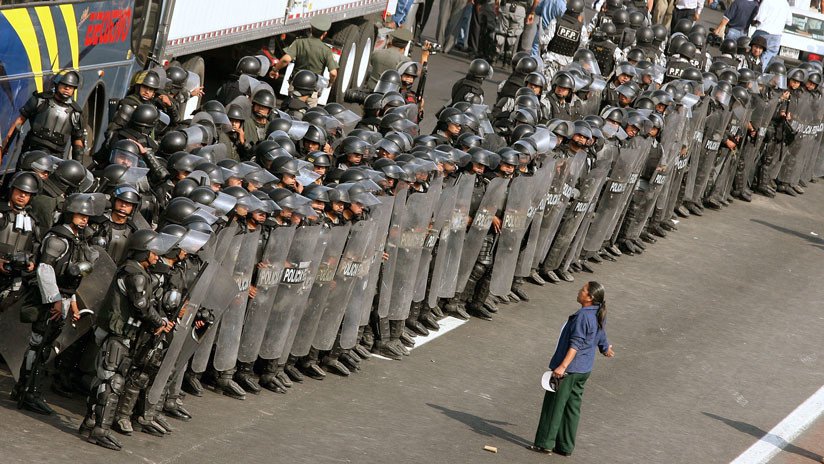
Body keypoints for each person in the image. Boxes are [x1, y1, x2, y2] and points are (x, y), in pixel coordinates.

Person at [528, 281, 614, 456]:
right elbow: (601, 334)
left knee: (554, 405)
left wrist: (562, 366)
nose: (579, 291)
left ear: (590, 297)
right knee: (572, 408)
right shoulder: (598, 312)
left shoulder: (583, 316)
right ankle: (565, 446)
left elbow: (575, 344)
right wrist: (605, 349)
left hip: (570, 370)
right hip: (584, 370)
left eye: (583, 290)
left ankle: (545, 443)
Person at [2, 69, 84, 163]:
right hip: (31, 151)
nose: (67, 88)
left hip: (55, 157)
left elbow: (78, 141)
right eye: (64, 85)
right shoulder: (40, 101)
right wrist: (5, 146)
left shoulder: (76, 113)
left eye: (71, 87)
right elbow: (19, 121)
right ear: (57, 84)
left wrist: (78, 166)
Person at [274, 14, 338, 105]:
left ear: (311, 29)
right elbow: (333, 73)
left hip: (296, 87)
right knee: (309, 116)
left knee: (290, 107)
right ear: (325, 33)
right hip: (312, 90)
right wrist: (330, 83)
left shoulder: (299, 42)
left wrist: (275, 69)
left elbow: (285, 60)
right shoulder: (326, 50)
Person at [751, 0, 792, 71]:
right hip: (777, 35)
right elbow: (789, 22)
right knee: (767, 59)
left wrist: (753, 22)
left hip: (763, 32)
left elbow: (759, 18)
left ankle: (752, 70)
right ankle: (760, 73)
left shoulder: (767, 1)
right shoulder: (785, 3)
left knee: (753, 52)